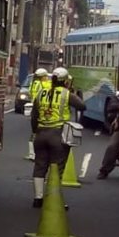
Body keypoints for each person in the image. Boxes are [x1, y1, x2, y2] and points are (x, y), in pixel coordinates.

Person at [30, 66, 86, 207]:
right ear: (65, 81)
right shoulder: (66, 94)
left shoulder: (41, 93)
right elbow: (82, 106)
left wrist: (36, 131)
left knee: (40, 165)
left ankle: (38, 198)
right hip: (58, 135)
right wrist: (71, 91)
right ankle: (53, 199)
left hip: (41, 134)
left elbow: (34, 115)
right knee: (56, 168)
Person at [25, 67, 50, 159]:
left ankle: (32, 154)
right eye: (45, 76)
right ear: (42, 77)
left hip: (35, 109)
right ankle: (41, 153)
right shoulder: (45, 85)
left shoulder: (33, 84)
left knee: (34, 131)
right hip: (43, 110)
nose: (47, 77)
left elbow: (30, 95)